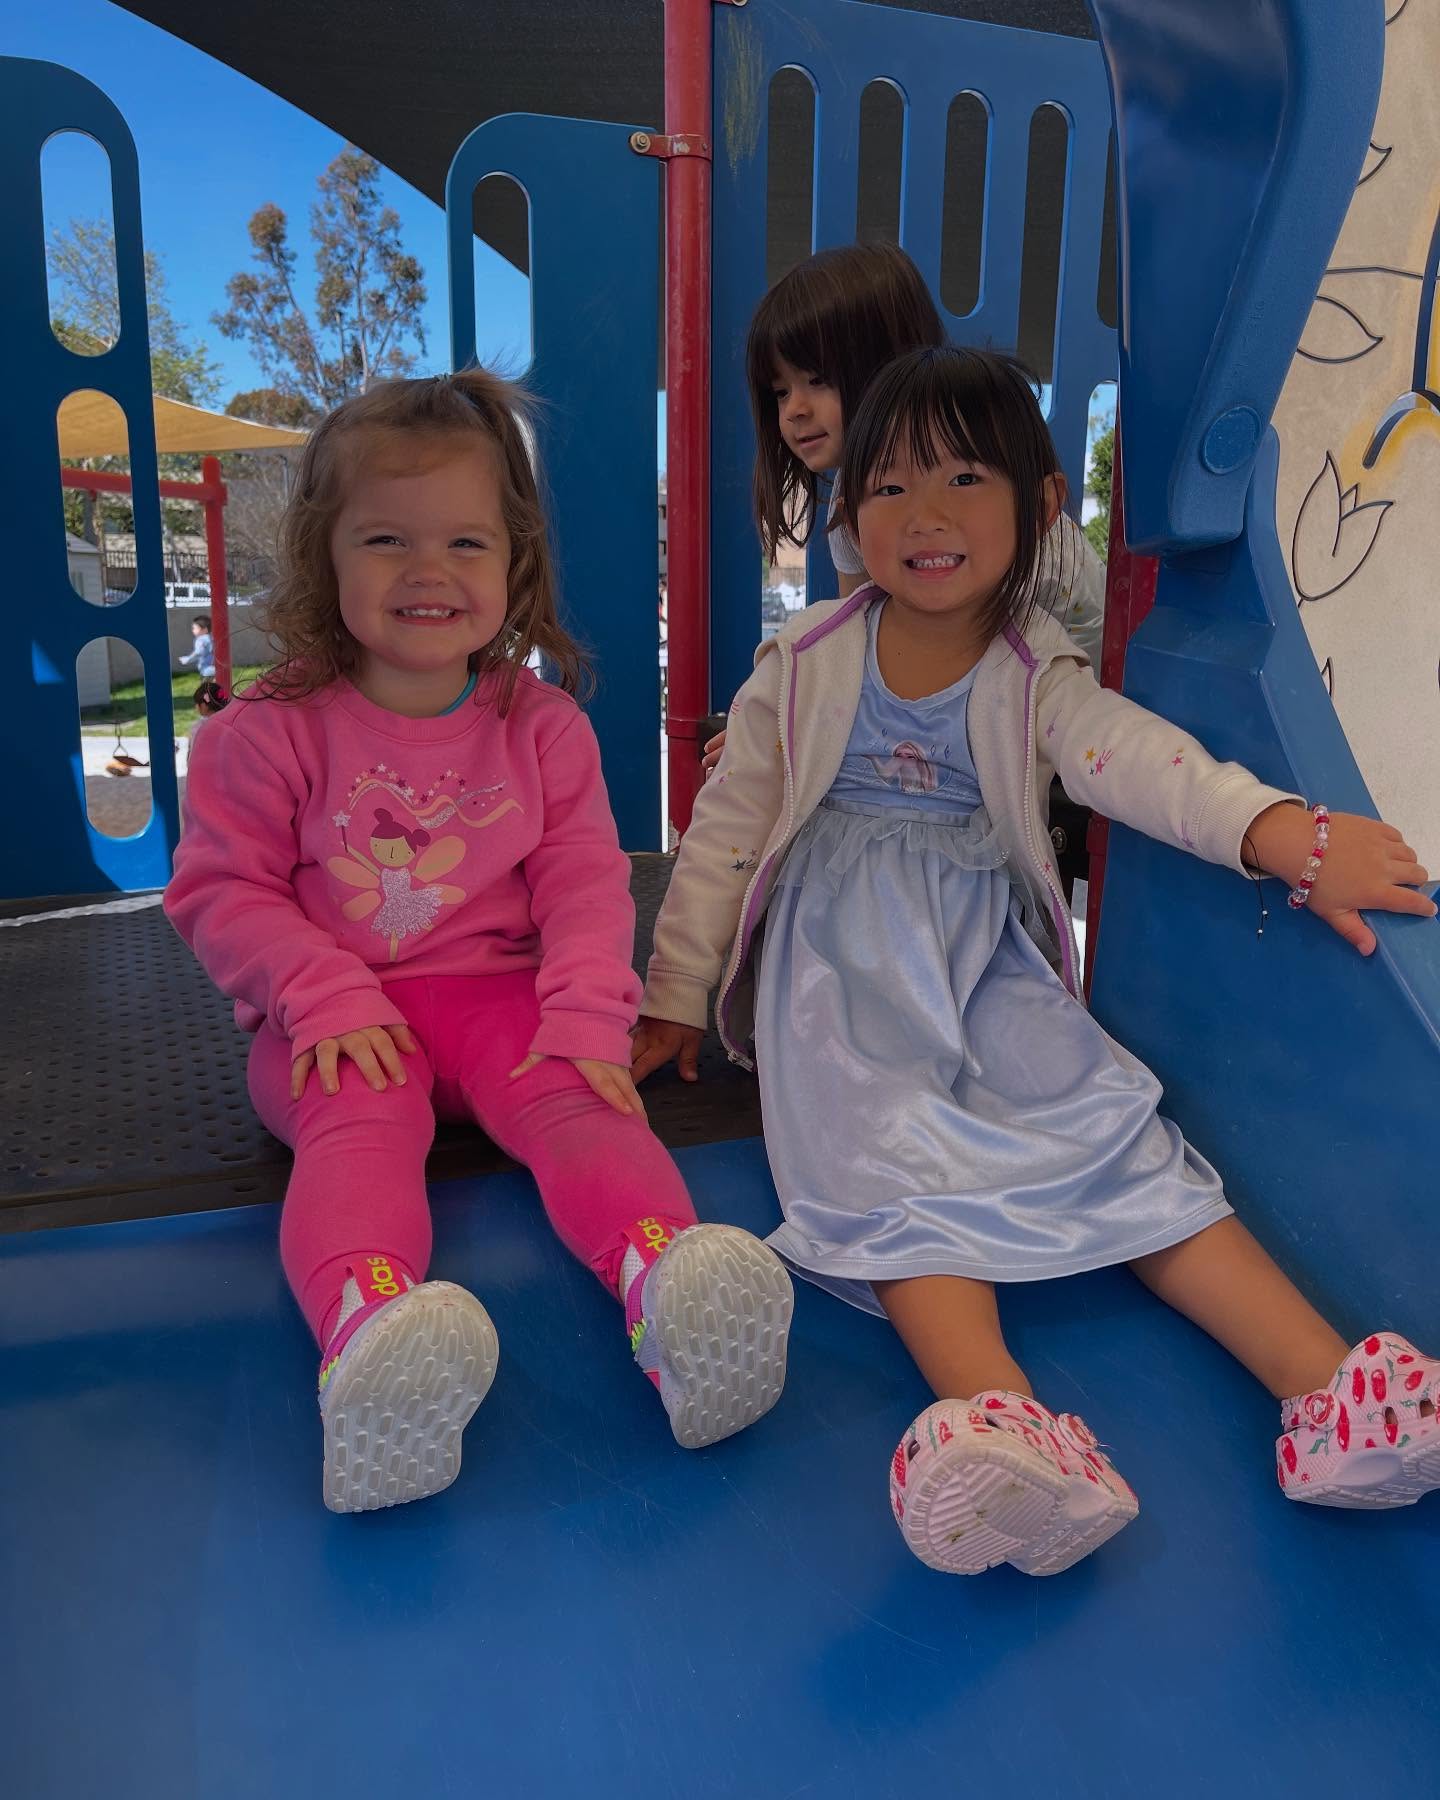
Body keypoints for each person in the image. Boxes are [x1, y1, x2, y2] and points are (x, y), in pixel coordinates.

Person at [633, 345, 1439, 1579]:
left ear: (1041, 503)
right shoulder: (799, 668)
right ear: (849, 516)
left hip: (981, 951)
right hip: (836, 972)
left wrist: (1283, 835)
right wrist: (677, 992)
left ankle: (1335, 1393)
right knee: (881, 1144)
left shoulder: (1032, 673)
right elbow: (727, 836)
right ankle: (1004, 1424)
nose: (929, 515)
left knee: (1108, 1117)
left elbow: (1141, 762)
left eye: (967, 476)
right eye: (890, 486)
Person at [166, 368, 791, 1514]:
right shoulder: (265, 733)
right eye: (386, 539)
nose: (428, 571)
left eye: (465, 542)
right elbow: (222, 892)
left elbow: (586, 885)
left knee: (578, 1099)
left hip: (501, 1002)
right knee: (361, 1119)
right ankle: (371, 1331)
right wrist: (319, 989)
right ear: (325, 557)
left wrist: (588, 1016)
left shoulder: (538, 725)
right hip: (339, 1014)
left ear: (512, 565)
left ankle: (671, 1286)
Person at [701, 242, 1105, 776]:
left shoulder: (978, 477)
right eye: (781, 391)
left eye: (818, 380)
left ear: (889, 362)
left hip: (1068, 683)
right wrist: (777, 723)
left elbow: (959, 667)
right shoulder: (855, 507)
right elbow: (851, 648)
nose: (795, 409)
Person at [179, 614, 217, 680]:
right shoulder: (212, 638)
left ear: (204, 629)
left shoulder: (200, 639)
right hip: (216, 670)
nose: (193, 630)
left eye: (194, 628)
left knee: (206, 689)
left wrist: (187, 659)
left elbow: (198, 653)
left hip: (207, 671)